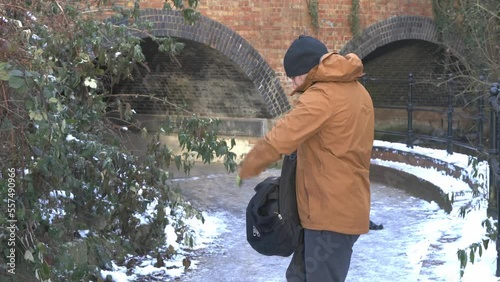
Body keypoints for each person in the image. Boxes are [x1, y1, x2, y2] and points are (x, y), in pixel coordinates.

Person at [238, 35, 375, 282]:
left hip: (329, 215)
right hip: (341, 208)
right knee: (299, 275)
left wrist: (249, 165)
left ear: (308, 69)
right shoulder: (358, 91)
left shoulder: (322, 96)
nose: (293, 83)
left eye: (294, 76)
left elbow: (282, 136)